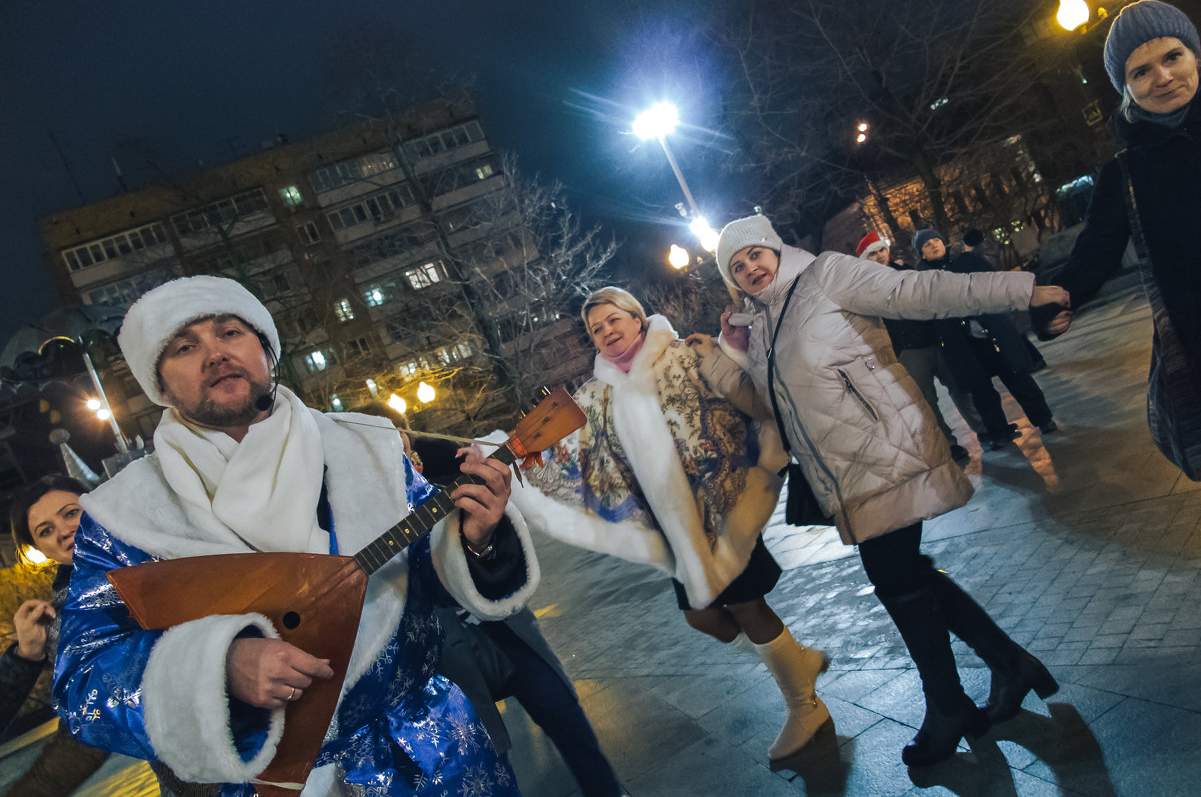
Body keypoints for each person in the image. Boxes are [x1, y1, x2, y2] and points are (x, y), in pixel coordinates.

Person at [53, 276, 539, 796]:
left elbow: (425, 572)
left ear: (265, 348)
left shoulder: (363, 449)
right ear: (161, 386)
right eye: (185, 346)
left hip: (433, 756)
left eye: (231, 332)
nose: (215, 355)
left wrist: (478, 537)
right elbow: (83, 678)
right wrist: (217, 672)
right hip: (270, 784)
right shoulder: (124, 516)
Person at [698, 214, 1066, 766]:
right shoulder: (766, 323)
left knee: (895, 579)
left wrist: (1023, 289)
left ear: (775, 248)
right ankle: (1008, 665)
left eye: (755, 254)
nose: (750, 268)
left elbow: (918, 290)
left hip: (887, 451)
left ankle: (948, 703)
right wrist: (728, 356)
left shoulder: (827, 276)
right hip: (849, 473)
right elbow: (767, 403)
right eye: (737, 266)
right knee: (907, 576)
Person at [503, 287, 831, 764]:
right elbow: (572, 454)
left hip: (719, 509)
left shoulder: (682, 357)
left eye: (614, 320)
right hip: (674, 531)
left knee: (747, 606)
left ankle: (804, 704)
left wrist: (733, 348)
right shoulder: (596, 396)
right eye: (597, 329)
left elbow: (738, 391)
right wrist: (507, 452)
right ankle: (795, 658)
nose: (607, 332)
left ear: (637, 318)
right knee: (705, 619)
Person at [359, 405, 626, 797]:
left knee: (565, 714)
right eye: (373, 436)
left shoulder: (450, 463)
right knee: (477, 756)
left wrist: (482, 523)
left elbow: (496, 540)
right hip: (437, 654)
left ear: (406, 433)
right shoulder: (362, 502)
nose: (390, 441)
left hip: (500, 627)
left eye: (393, 430)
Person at [1043, 0, 1201, 479]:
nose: (1163, 77)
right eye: (1141, 71)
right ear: (1126, 88)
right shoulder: (1124, 173)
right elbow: (1095, 251)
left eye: (1172, 56)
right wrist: (1056, 298)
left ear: (1194, 54)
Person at [0, 476, 109, 797]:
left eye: (71, 513)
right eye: (45, 531)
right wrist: (26, 654)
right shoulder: (70, 618)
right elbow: (94, 720)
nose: (64, 531)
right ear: (40, 550)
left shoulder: (164, 550)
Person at [915, 229, 1057, 449]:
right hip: (961, 342)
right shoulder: (923, 281)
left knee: (1017, 377)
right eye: (926, 245)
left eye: (936, 240)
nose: (934, 245)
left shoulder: (967, 260)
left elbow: (993, 283)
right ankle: (998, 432)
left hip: (991, 331)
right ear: (922, 255)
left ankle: (1043, 419)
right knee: (981, 390)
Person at [856, 232, 971, 463]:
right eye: (872, 254)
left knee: (961, 386)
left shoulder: (906, 271)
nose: (879, 256)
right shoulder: (864, 289)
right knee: (927, 401)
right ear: (865, 259)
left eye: (881, 250)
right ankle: (948, 444)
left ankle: (985, 429)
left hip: (934, 339)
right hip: (907, 350)